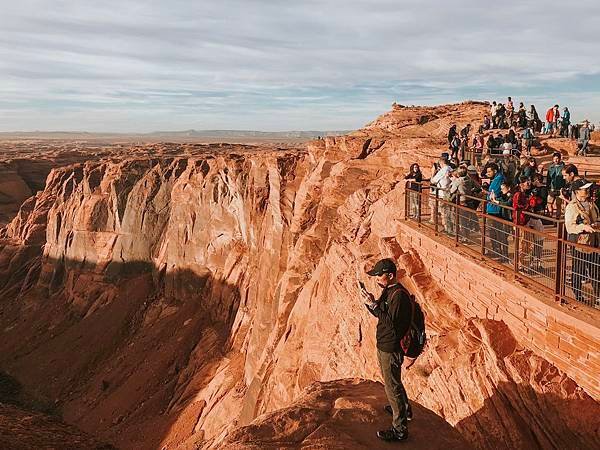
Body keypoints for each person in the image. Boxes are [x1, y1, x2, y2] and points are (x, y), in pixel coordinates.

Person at [360, 258, 412, 442]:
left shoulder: (398, 296)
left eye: (379, 275)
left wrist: (375, 306)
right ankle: (404, 409)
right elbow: (381, 315)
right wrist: (371, 303)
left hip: (390, 347)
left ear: (390, 275)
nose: (377, 279)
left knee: (391, 387)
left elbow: (392, 325)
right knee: (393, 382)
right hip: (385, 344)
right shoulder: (389, 291)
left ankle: (399, 430)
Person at [564, 180, 600, 304]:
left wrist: (596, 224)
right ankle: (578, 294)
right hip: (579, 243)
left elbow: (596, 217)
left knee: (595, 269)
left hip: (593, 242)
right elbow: (569, 227)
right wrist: (583, 227)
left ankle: (598, 296)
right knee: (578, 269)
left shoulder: (592, 204)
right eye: (584, 189)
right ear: (577, 192)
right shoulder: (572, 207)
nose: (587, 191)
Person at [486, 163, 508, 261]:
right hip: (493, 207)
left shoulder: (499, 179)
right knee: (494, 231)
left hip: (495, 209)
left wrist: (489, 195)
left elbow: (494, 193)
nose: (487, 173)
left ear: (495, 171)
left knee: (496, 231)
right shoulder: (497, 178)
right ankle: (497, 250)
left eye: (489, 171)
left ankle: (498, 252)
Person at [546, 152, 566, 217]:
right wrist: (548, 187)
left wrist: (564, 188)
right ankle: (550, 216)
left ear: (560, 159)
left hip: (560, 189)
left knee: (558, 205)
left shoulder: (563, 168)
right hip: (552, 188)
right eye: (554, 159)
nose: (556, 160)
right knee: (549, 203)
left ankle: (557, 220)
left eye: (557, 159)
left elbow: (565, 179)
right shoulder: (550, 167)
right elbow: (548, 178)